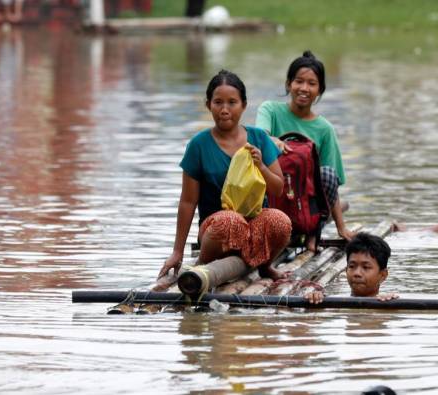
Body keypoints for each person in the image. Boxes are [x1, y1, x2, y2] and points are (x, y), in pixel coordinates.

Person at [158, 70, 292, 281]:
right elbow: (187, 201)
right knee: (231, 221)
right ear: (208, 105)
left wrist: (262, 167)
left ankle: (265, 266)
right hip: (217, 230)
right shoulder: (199, 145)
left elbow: (278, 188)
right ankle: (204, 264)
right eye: (218, 102)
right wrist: (177, 251)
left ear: (244, 105)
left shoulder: (259, 138)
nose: (224, 109)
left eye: (232, 102)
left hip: (254, 226)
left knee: (280, 221)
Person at [255, 50, 355, 250]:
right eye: (299, 81)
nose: (304, 88)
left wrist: (341, 226)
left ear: (320, 90)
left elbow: (331, 184)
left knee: (326, 174)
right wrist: (273, 140)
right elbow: (259, 137)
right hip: (272, 196)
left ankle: (311, 234)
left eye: (312, 83)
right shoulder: (270, 110)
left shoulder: (324, 129)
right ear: (288, 84)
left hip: (305, 207)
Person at [304, 232, 398, 304]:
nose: (357, 273)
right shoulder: (331, 301)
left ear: (383, 275)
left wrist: (392, 304)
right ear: (346, 270)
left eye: (366, 267)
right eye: (352, 266)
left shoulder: (390, 303)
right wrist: (314, 300)